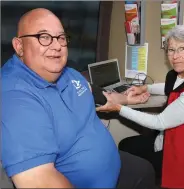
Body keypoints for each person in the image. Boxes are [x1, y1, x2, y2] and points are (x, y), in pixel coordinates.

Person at [1, 8, 156, 188]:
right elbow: (40, 181)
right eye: (44, 37)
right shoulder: (14, 97)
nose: (57, 45)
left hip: (112, 168)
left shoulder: (68, 72)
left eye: (61, 38)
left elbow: (98, 94)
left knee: (144, 169)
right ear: (19, 46)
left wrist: (127, 99)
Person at [96, 25, 184, 188]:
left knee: (128, 153)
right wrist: (144, 88)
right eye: (171, 50)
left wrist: (118, 108)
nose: (175, 56)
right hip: (168, 141)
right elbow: (171, 86)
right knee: (127, 145)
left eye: (182, 49)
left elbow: (159, 122)